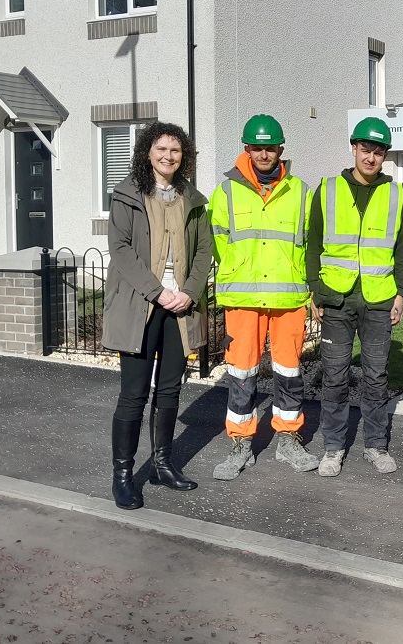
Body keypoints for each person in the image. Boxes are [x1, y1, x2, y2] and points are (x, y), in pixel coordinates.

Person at [102, 122, 213, 510]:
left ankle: (162, 466)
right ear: (147, 152)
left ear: (185, 157)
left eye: (176, 151)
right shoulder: (127, 194)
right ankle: (123, 477)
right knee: (133, 394)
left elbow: (203, 253)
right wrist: (158, 293)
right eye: (161, 149)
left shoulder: (193, 199)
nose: (168, 156)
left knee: (170, 390)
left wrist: (188, 293)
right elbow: (120, 249)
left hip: (180, 307)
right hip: (140, 305)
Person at [209, 114, 318, 481]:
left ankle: (288, 438)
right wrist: (240, 273)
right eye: (257, 147)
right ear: (247, 149)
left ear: (280, 149)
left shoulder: (301, 192)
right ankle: (241, 444)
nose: (264, 153)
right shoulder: (225, 193)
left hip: (288, 299)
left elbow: (309, 245)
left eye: (270, 147)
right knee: (242, 372)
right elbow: (219, 243)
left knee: (289, 371)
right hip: (243, 299)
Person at [308, 116, 403, 476]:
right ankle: (333, 447)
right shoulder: (327, 189)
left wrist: (400, 293)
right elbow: (314, 242)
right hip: (336, 298)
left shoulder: (396, 194)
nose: (371, 157)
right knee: (334, 375)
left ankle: (376, 445)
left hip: (379, 299)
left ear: (385, 155)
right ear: (354, 147)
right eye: (365, 149)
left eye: (378, 151)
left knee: (376, 376)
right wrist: (315, 291)